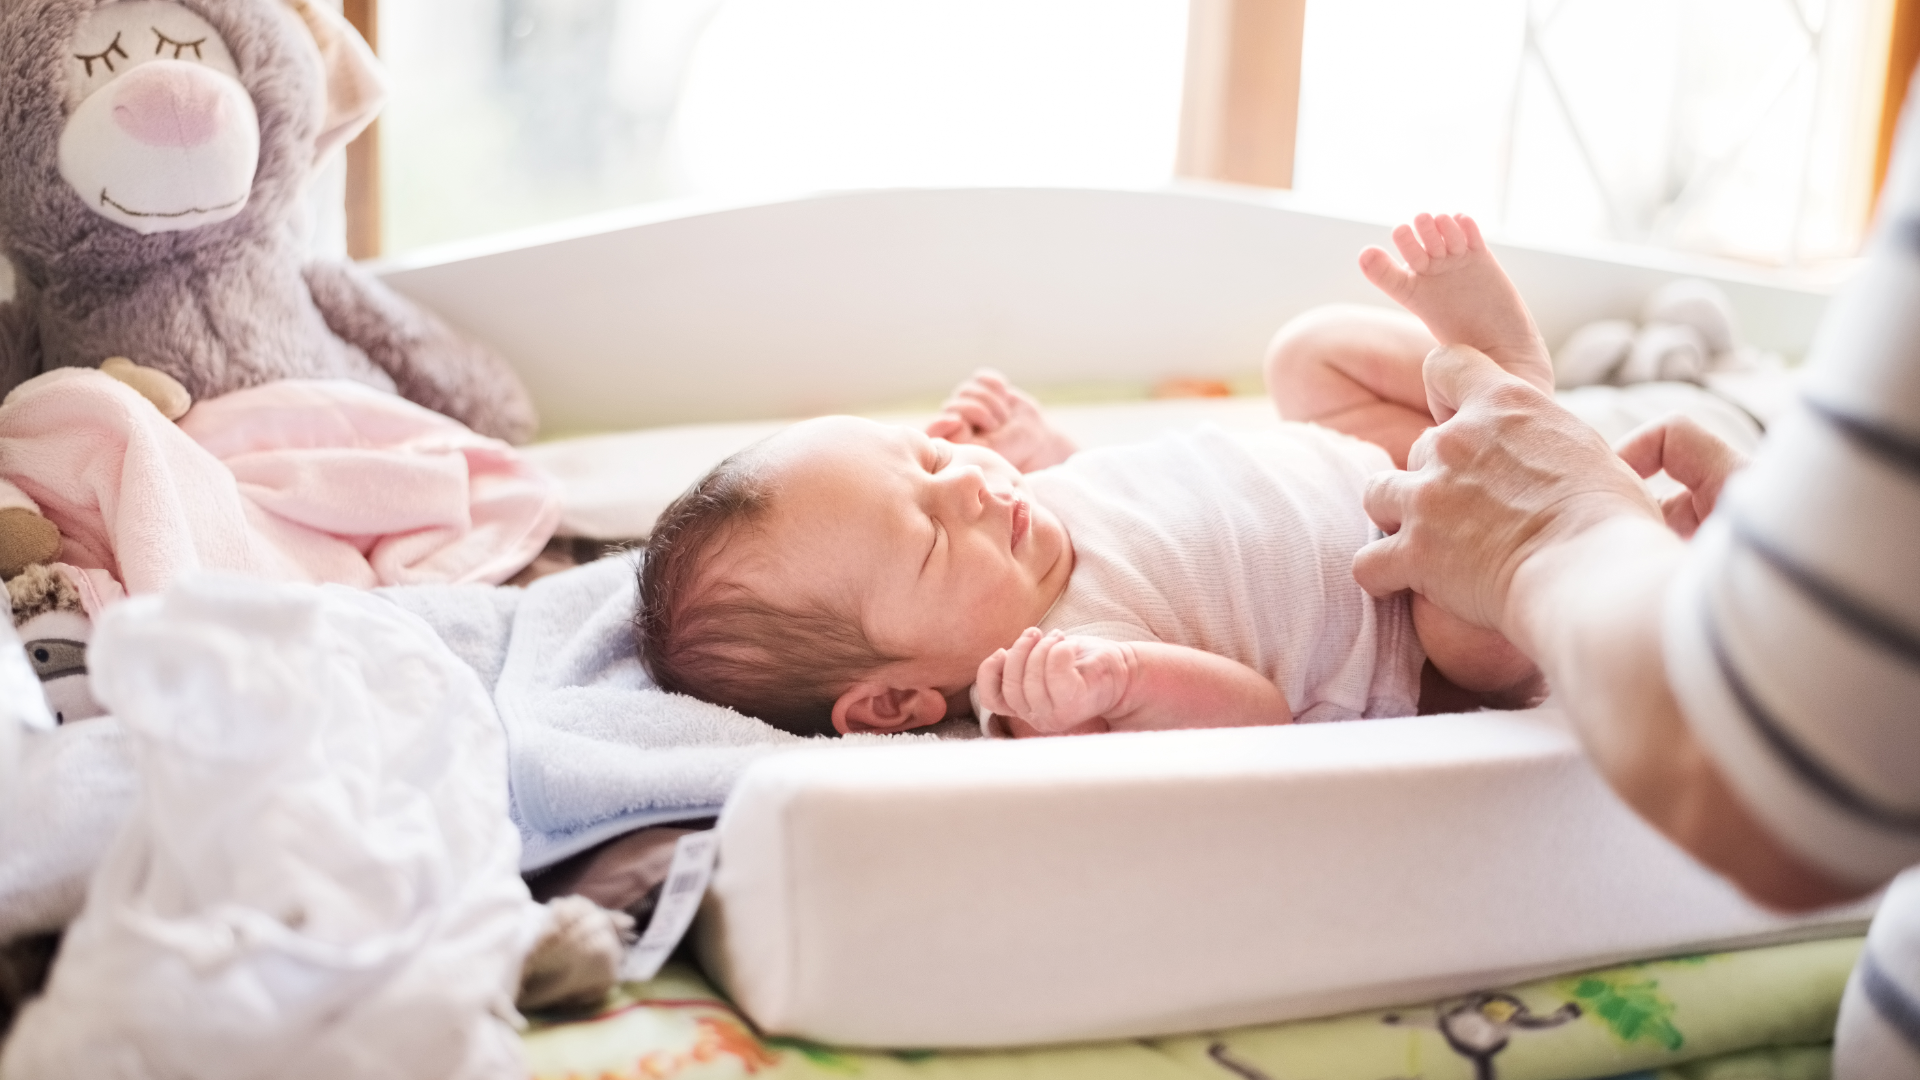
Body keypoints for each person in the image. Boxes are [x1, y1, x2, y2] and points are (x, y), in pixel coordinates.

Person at [1348, 104, 1920, 1080]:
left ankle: (1520, 374)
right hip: (1462, 527)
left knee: (1323, 377)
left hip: (1454, 568)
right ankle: (1519, 382)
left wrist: (1554, 529)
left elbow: (1759, 761)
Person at [634, 215, 1557, 739]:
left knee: (1309, 357)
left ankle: (1496, 418)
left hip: (1368, 465)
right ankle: (1513, 391)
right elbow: (1260, 718)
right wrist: (1118, 687)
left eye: (928, 458)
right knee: (1477, 635)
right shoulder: (1050, 684)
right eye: (926, 536)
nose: (967, 487)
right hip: (1422, 608)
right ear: (894, 703)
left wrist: (1049, 445)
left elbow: (1142, 516)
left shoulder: (1036, 515)